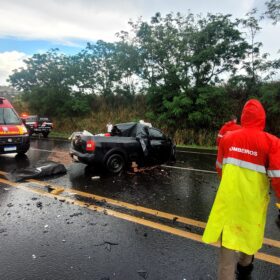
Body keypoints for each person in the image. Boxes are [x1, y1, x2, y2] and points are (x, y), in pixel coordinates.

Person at [202, 99, 280, 280]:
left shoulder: (228, 139)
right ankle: (245, 269)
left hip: (229, 200)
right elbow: (278, 179)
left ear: (243, 117)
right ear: (262, 118)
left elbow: (220, 168)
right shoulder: (272, 143)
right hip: (252, 203)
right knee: (249, 236)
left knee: (228, 244)